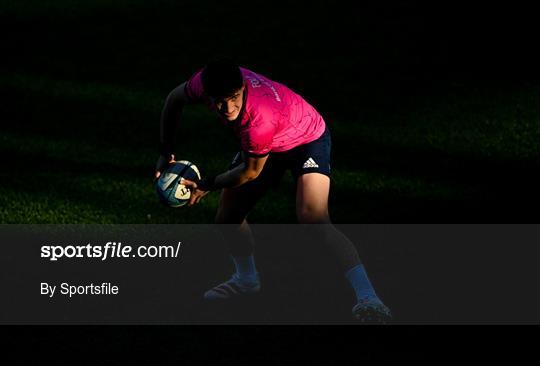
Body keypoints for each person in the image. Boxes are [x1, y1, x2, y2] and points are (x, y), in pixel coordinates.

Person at [155, 60, 392, 322]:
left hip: (306, 138)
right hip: (268, 143)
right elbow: (172, 100)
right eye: (220, 102)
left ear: (243, 87)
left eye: (234, 98)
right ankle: (247, 280)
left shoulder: (258, 119)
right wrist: (167, 152)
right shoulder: (201, 83)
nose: (229, 108)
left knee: (313, 218)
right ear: (206, 94)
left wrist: (206, 185)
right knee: (227, 219)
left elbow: (250, 173)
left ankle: (369, 298)